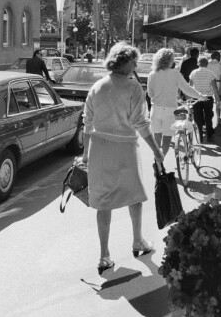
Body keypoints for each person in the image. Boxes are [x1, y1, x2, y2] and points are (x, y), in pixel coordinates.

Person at [81, 43, 164, 273]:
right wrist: (156, 150)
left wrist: (86, 154)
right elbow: (140, 122)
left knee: (103, 202)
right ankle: (138, 240)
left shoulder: (97, 87)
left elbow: (87, 123)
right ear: (126, 63)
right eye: (134, 62)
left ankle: (104, 255)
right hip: (125, 148)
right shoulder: (133, 88)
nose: (136, 66)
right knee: (134, 195)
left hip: (99, 149)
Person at [147, 48, 206, 159]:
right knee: (167, 138)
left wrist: (158, 97)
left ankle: (157, 162)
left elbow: (150, 93)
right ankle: (160, 162)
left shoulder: (152, 74)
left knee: (157, 138)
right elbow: (186, 89)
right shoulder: (175, 73)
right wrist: (200, 96)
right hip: (169, 110)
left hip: (156, 109)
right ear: (169, 60)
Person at [189, 57, 220, 142]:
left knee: (197, 117)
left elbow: (190, 87)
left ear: (198, 63)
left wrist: (189, 98)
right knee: (208, 117)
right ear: (207, 64)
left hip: (196, 98)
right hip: (207, 98)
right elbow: (214, 88)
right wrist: (218, 100)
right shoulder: (210, 73)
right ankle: (209, 134)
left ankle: (200, 135)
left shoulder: (193, 73)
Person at [207, 51, 221, 119]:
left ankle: (209, 117)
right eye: (219, 56)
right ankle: (218, 118)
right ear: (217, 57)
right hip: (218, 83)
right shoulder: (220, 65)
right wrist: (220, 89)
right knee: (218, 101)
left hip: (208, 84)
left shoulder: (207, 64)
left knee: (209, 101)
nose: (220, 57)